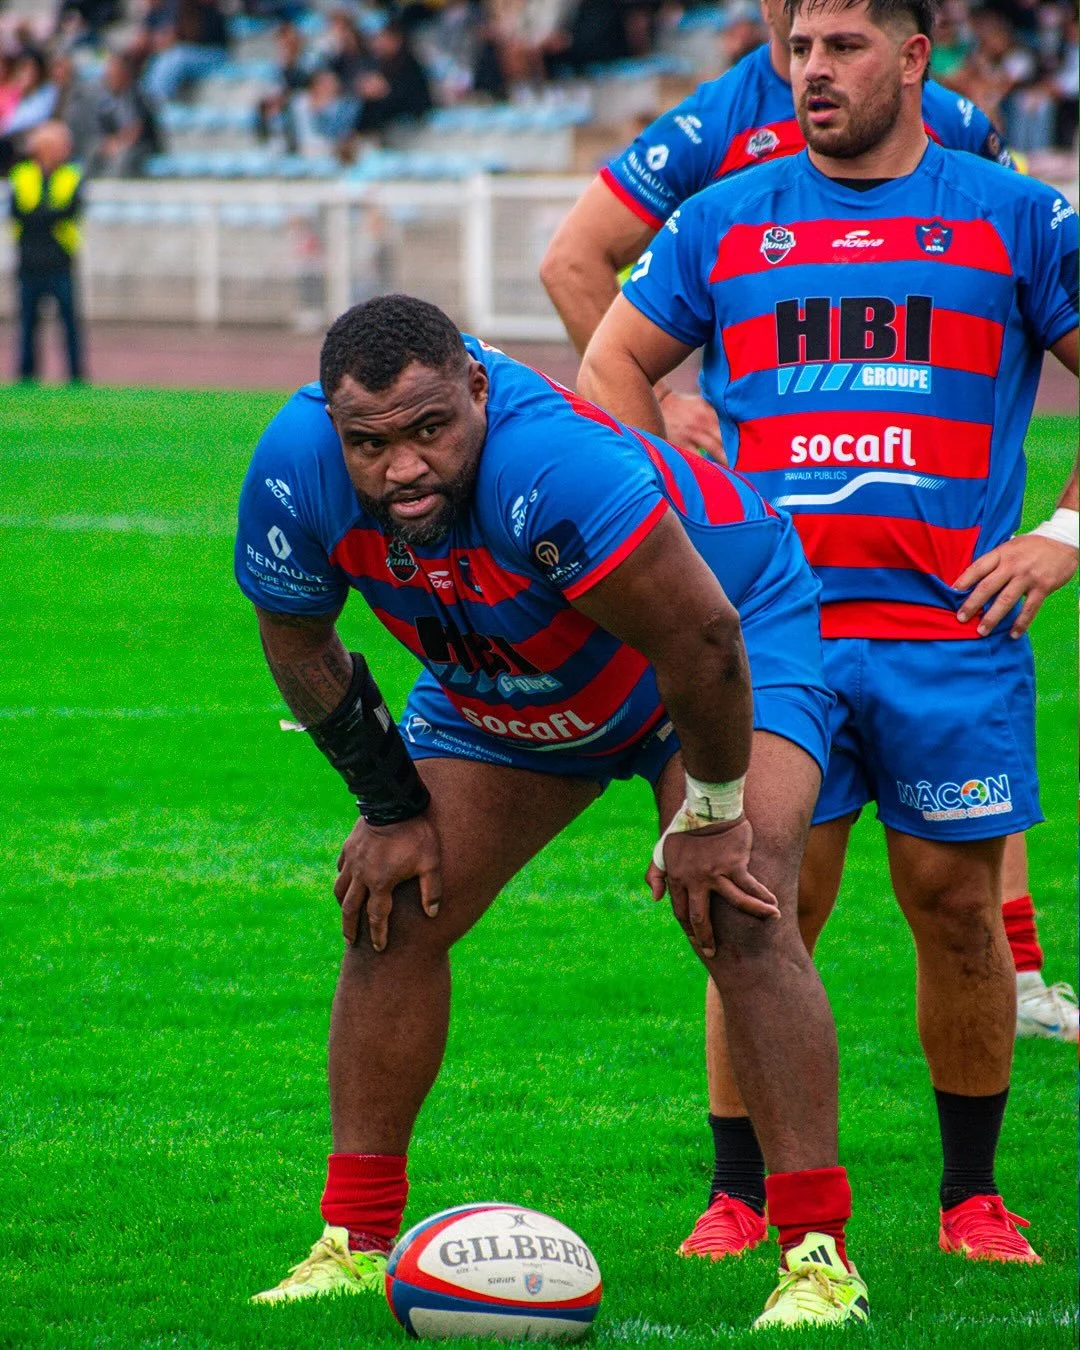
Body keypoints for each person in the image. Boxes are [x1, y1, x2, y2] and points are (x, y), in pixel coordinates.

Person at [543, 0, 1077, 1264]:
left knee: (955, 914)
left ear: (912, 58)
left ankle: (972, 1200)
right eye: (799, 50)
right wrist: (671, 460)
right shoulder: (729, 218)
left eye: (843, 47)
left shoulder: (1017, 218)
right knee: (756, 906)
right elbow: (610, 364)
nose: (813, 72)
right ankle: (739, 1194)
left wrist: (1067, 535)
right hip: (780, 640)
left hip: (953, 633)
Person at [236, 293, 868, 1330]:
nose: (404, 468)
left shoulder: (552, 465)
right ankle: (351, 1242)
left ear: (479, 387)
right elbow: (299, 642)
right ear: (331, 421)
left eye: (431, 430)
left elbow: (702, 642)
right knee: (393, 907)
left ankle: (817, 1259)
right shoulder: (293, 466)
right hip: (510, 666)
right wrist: (390, 806)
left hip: (718, 647)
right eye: (371, 443)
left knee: (743, 911)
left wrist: (709, 816)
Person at [9, 118, 85, 382]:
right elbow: (20, 214)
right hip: (29, 261)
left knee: (70, 324)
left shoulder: (71, 175)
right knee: (28, 324)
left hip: (60, 260)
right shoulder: (22, 175)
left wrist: (41, 216)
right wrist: (48, 216)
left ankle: (76, 376)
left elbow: (70, 211)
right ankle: (26, 376)